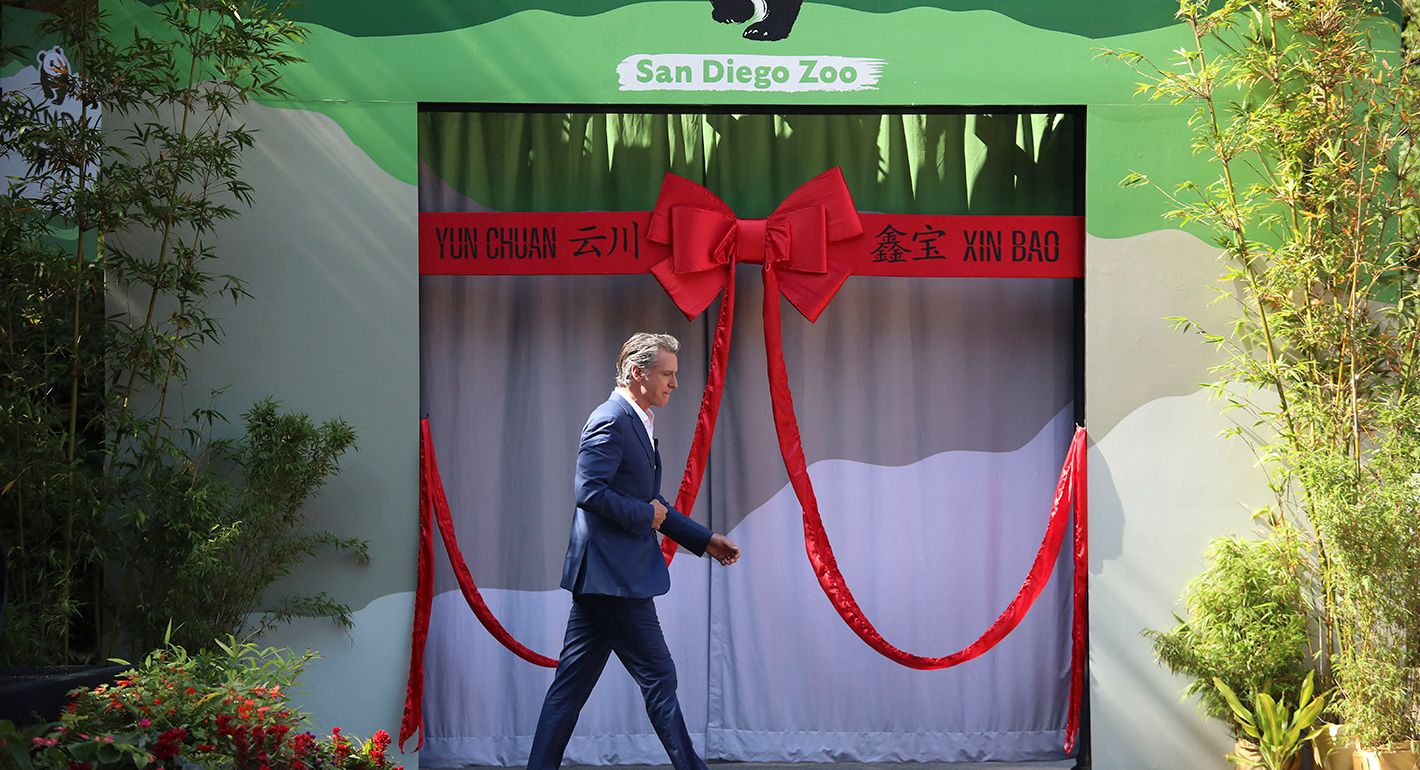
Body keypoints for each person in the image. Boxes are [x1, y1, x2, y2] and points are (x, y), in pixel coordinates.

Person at [526, 332, 741, 770]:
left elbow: (650, 500)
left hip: (605, 578)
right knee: (659, 678)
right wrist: (647, 518)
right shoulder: (611, 419)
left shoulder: (636, 418)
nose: (674, 384)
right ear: (638, 373)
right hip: (615, 579)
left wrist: (703, 539)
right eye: (668, 374)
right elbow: (589, 491)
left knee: (569, 690)